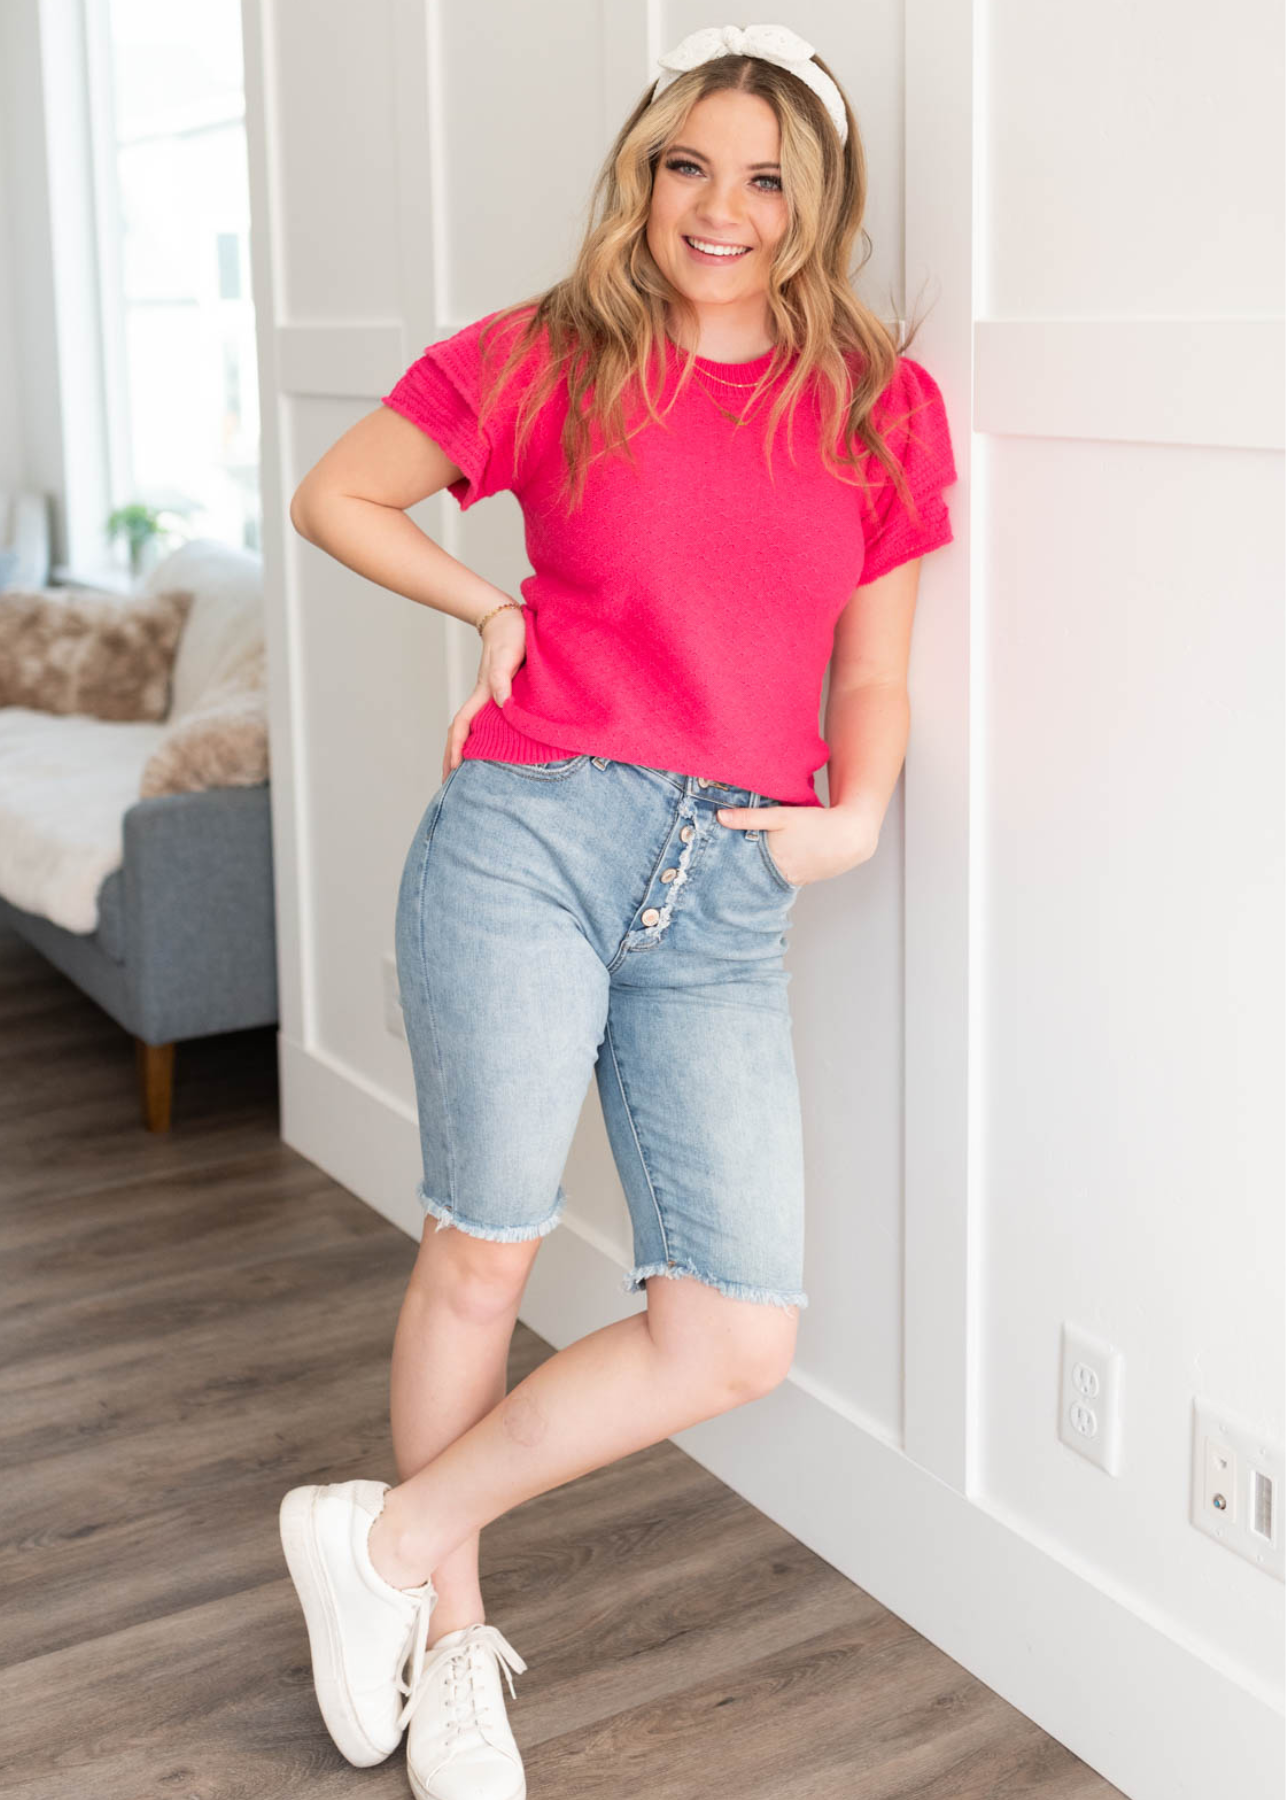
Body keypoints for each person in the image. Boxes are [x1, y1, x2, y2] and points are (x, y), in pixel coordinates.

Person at [279, 22, 958, 1800]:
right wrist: (484, 615)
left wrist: (854, 818)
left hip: (729, 880)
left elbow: (870, 671)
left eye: (762, 178)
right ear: (642, 174)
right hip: (529, 834)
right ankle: (448, 1650)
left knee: (733, 1329)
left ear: (817, 205)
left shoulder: (879, 402)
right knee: (484, 1248)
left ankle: (385, 1540)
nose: (717, 210)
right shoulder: (548, 354)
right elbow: (337, 492)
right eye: (686, 167)